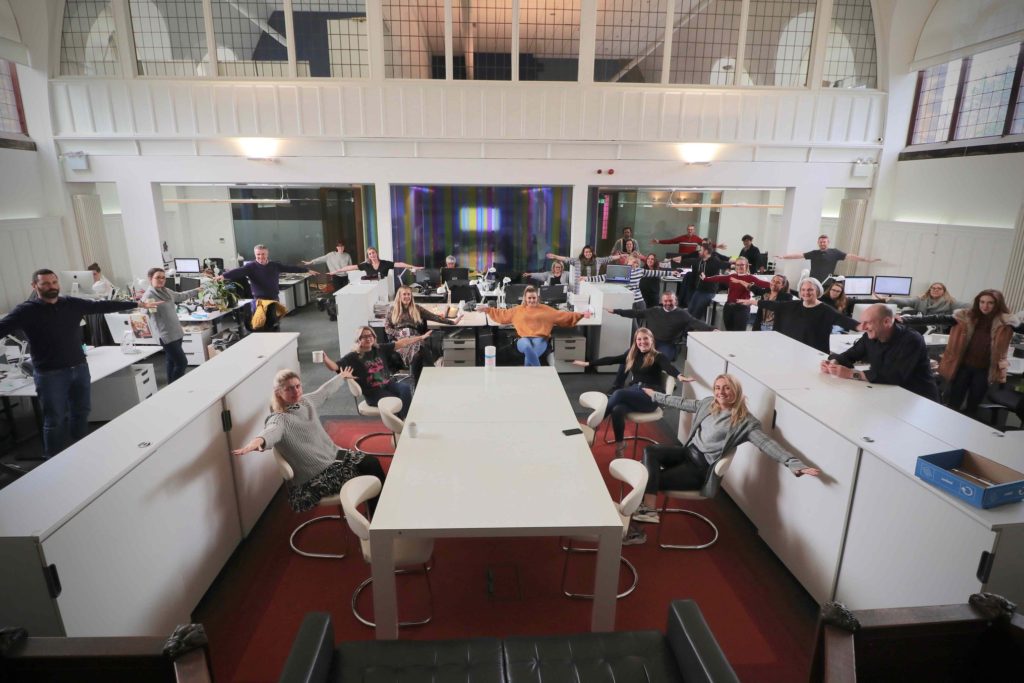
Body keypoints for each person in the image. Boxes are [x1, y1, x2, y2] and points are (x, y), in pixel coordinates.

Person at [630, 375, 820, 532]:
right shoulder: (708, 404)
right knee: (650, 451)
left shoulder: (745, 422)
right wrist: (655, 395)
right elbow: (681, 402)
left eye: (727, 388)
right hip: (688, 453)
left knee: (648, 480)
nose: (721, 392)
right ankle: (649, 509)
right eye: (718, 387)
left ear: (736, 391)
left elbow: (767, 444)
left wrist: (793, 462)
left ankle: (643, 518)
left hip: (700, 468)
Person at [0, 269, 158, 457]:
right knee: (55, 419)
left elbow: (102, 306)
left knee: (81, 412)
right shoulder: (26, 311)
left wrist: (136, 303)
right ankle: (53, 460)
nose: (51, 287)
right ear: (35, 286)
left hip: (79, 368)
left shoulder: (71, 303)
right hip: (50, 374)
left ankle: (81, 451)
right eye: (45, 283)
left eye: (54, 282)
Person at [231, 369, 386, 514]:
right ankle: (379, 517)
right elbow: (270, 431)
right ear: (278, 393)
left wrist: (341, 377)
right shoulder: (279, 419)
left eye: (298, 386)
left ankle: (379, 512)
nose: (296, 391)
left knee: (371, 462)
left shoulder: (305, 402)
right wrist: (257, 442)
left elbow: (324, 392)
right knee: (369, 477)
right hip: (315, 475)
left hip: (334, 456)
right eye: (289, 389)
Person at [572, 327, 692, 459]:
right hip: (635, 392)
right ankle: (620, 445)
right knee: (617, 409)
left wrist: (679, 376)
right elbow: (612, 359)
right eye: (639, 339)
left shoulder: (658, 356)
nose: (642, 342)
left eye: (645, 338)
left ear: (651, 340)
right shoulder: (632, 354)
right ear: (635, 341)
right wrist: (588, 363)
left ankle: (593, 425)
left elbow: (669, 368)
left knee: (618, 394)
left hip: (651, 396)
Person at [908, 290, 1018, 417]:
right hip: (962, 367)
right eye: (982, 302)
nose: (985, 306)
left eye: (990, 303)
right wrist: (906, 319)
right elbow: (938, 318)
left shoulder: (1006, 322)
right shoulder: (965, 316)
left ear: (997, 304)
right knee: (953, 402)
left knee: (973, 404)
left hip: (985, 370)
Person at [821, 304, 939, 401]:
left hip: (919, 399)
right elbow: (851, 354)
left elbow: (895, 375)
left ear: (886, 322)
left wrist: (852, 374)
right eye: (862, 323)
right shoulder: (871, 336)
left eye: (867, 322)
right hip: (888, 393)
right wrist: (833, 363)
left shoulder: (912, 340)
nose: (863, 327)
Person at [479, 285, 591, 366]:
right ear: (525, 298)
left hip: (540, 340)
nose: (532, 300)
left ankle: (529, 378)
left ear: (537, 297)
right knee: (527, 347)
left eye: (534, 297)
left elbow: (563, 315)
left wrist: (580, 314)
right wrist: (488, 309)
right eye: (529, 298)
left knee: (530, 356)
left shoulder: (546, 309)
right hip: (523, 339)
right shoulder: (518, 310)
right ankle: (539, 374)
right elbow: (502, 315)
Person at [325, 326, 418, 420]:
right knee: (396, 400)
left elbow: (401, 343)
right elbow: (335, 367)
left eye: (370, 335)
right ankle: (399, 422)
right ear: (358, 340)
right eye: (364, 337)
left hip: (388, 384)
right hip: (373, 393)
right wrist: (325, 359)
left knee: (405, 389)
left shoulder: (379, 348)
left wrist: (421, 337)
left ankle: (404, 419)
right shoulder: (353, 357)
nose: (368, 338)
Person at [222, 245, 313, 332]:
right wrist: (223, 276)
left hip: (273, 299)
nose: (261, 256)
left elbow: (290, 268)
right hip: (259, 300)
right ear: (255, 254)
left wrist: (307, 270)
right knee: (258, 325)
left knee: (273, 323)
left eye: (263, 254)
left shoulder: (274, 265)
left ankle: (275, 341)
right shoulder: (250, 267)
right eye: (258, 254)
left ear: (267, 254)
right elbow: (237, 272)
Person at [754, 277, 859, 352]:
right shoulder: (795, 305)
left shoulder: (826, 310)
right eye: (803, 290)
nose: (806, 292)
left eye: (810, 290)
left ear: (817, 291)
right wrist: (754, 302)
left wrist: (862, 327)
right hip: (794, 351)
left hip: (814, 353)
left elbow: (843, 319)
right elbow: (776, 305)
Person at [605, 291, 714, 360]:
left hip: (668, 345)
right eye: (665, 301)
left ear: (675, 301)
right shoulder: (654, 310)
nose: (668, 303)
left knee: (659, 359)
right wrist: (616, 311)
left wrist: (712, 329)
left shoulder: (682, 314)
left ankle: (656, 385)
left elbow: (695, 322)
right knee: (628, 356)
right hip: (650, 342)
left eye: (670, 300)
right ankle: (617, 385)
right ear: (662, 301)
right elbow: (635, 313)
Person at [385, 285, 462, 382]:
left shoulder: (416, 308)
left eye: (409, 294)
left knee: (419, 351)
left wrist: (452, 322)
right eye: (404, 294)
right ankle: (431, 376)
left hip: (415, 337)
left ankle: (421, 379)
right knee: (419, 353)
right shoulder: (392, 310)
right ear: (399, 296)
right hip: (400, 340)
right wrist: (398, 333)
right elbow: (387, 328)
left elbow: (434, 317)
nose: (407, 296)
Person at [141, 267, 200, 384]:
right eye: (158, 277)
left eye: (163, 277)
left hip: (177, 332)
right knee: (182, 362)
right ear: (150, 279)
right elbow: (144, 312)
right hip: (166, 335)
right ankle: (176, 387)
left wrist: (197, 290)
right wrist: (145, 307)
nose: (161, 280)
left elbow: (180, 296)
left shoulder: (166, 291)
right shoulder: (149, 295)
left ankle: (170, 385)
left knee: (171, 361)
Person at [583, 254, 679, 311]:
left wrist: (671, 272)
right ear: (627, 262)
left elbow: (656, 272)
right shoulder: (621, 271)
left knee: (639, 326)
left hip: (640, 302)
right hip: (629, 302)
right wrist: (586, 279)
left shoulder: (640, 271)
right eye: (633, 262)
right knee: (633, 328)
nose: (635, 264)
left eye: (637, 263)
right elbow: (602, 277)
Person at [701, 257, 770, 331]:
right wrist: (706, 279)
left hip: (742, 309)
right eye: (737, 265)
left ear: (746, 266)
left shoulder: (751, 278)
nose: (739, 267)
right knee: (729, 331)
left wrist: (779, 285)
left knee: (738, 333)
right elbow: (719, 278)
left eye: (742, 265)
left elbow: (765, 285)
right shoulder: (732, 276)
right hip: (728, 308)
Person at [777, 234, 880, 282]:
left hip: (827, 282)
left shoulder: (835, 252)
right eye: (820, 242)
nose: (822, 243)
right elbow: (798, 255)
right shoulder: (814, 253)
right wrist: (783, 257)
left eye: (824, 242)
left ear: (828, 242)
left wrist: (867, 260)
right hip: (813, 282)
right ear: (818, 243)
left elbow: (850, 256)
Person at [683, 243, 727, 321]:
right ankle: (685, 329)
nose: (699, 252)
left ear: (706, 251)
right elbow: (689, 260)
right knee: (690, 311)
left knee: (696, 314)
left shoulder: (715, 261)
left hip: (708, 292)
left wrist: (736, 265)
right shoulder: (700, 260)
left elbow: (726, 264)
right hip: (699, 290)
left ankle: (689, 330)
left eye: (701, 250)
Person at [333, 246, 421, 282]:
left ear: (376, 253)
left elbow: (400, 264)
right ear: (368, 256)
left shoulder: (385, 263)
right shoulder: (366, 265)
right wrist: (337, 271)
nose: (372, 255)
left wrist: (414, 267)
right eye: (370, 254)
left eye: (373, 252)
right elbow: (351, 267)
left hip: (383, 289)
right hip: (370, 289)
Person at [651, 224, 724, 262]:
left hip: (692, 258)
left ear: (694, 230)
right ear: (687, 230)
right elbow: (670, 241)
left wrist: (717, 246)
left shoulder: (697, 238)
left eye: (691, 229)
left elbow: (706, 245)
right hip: (681, 258)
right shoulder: (681, 238)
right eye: (689, 229)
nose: (690, 231)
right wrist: (659, 241)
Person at [546, 246, 615, 278]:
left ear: (592, 252)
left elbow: (609, 258)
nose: (588, 253)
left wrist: (620, 256)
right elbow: (565, 259)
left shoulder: (598, 260)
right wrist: (555, 256)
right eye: (586, 252)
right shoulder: (577, 261)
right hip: (580, 286)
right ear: (583, 253)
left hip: (593, 285)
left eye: (590, 252)